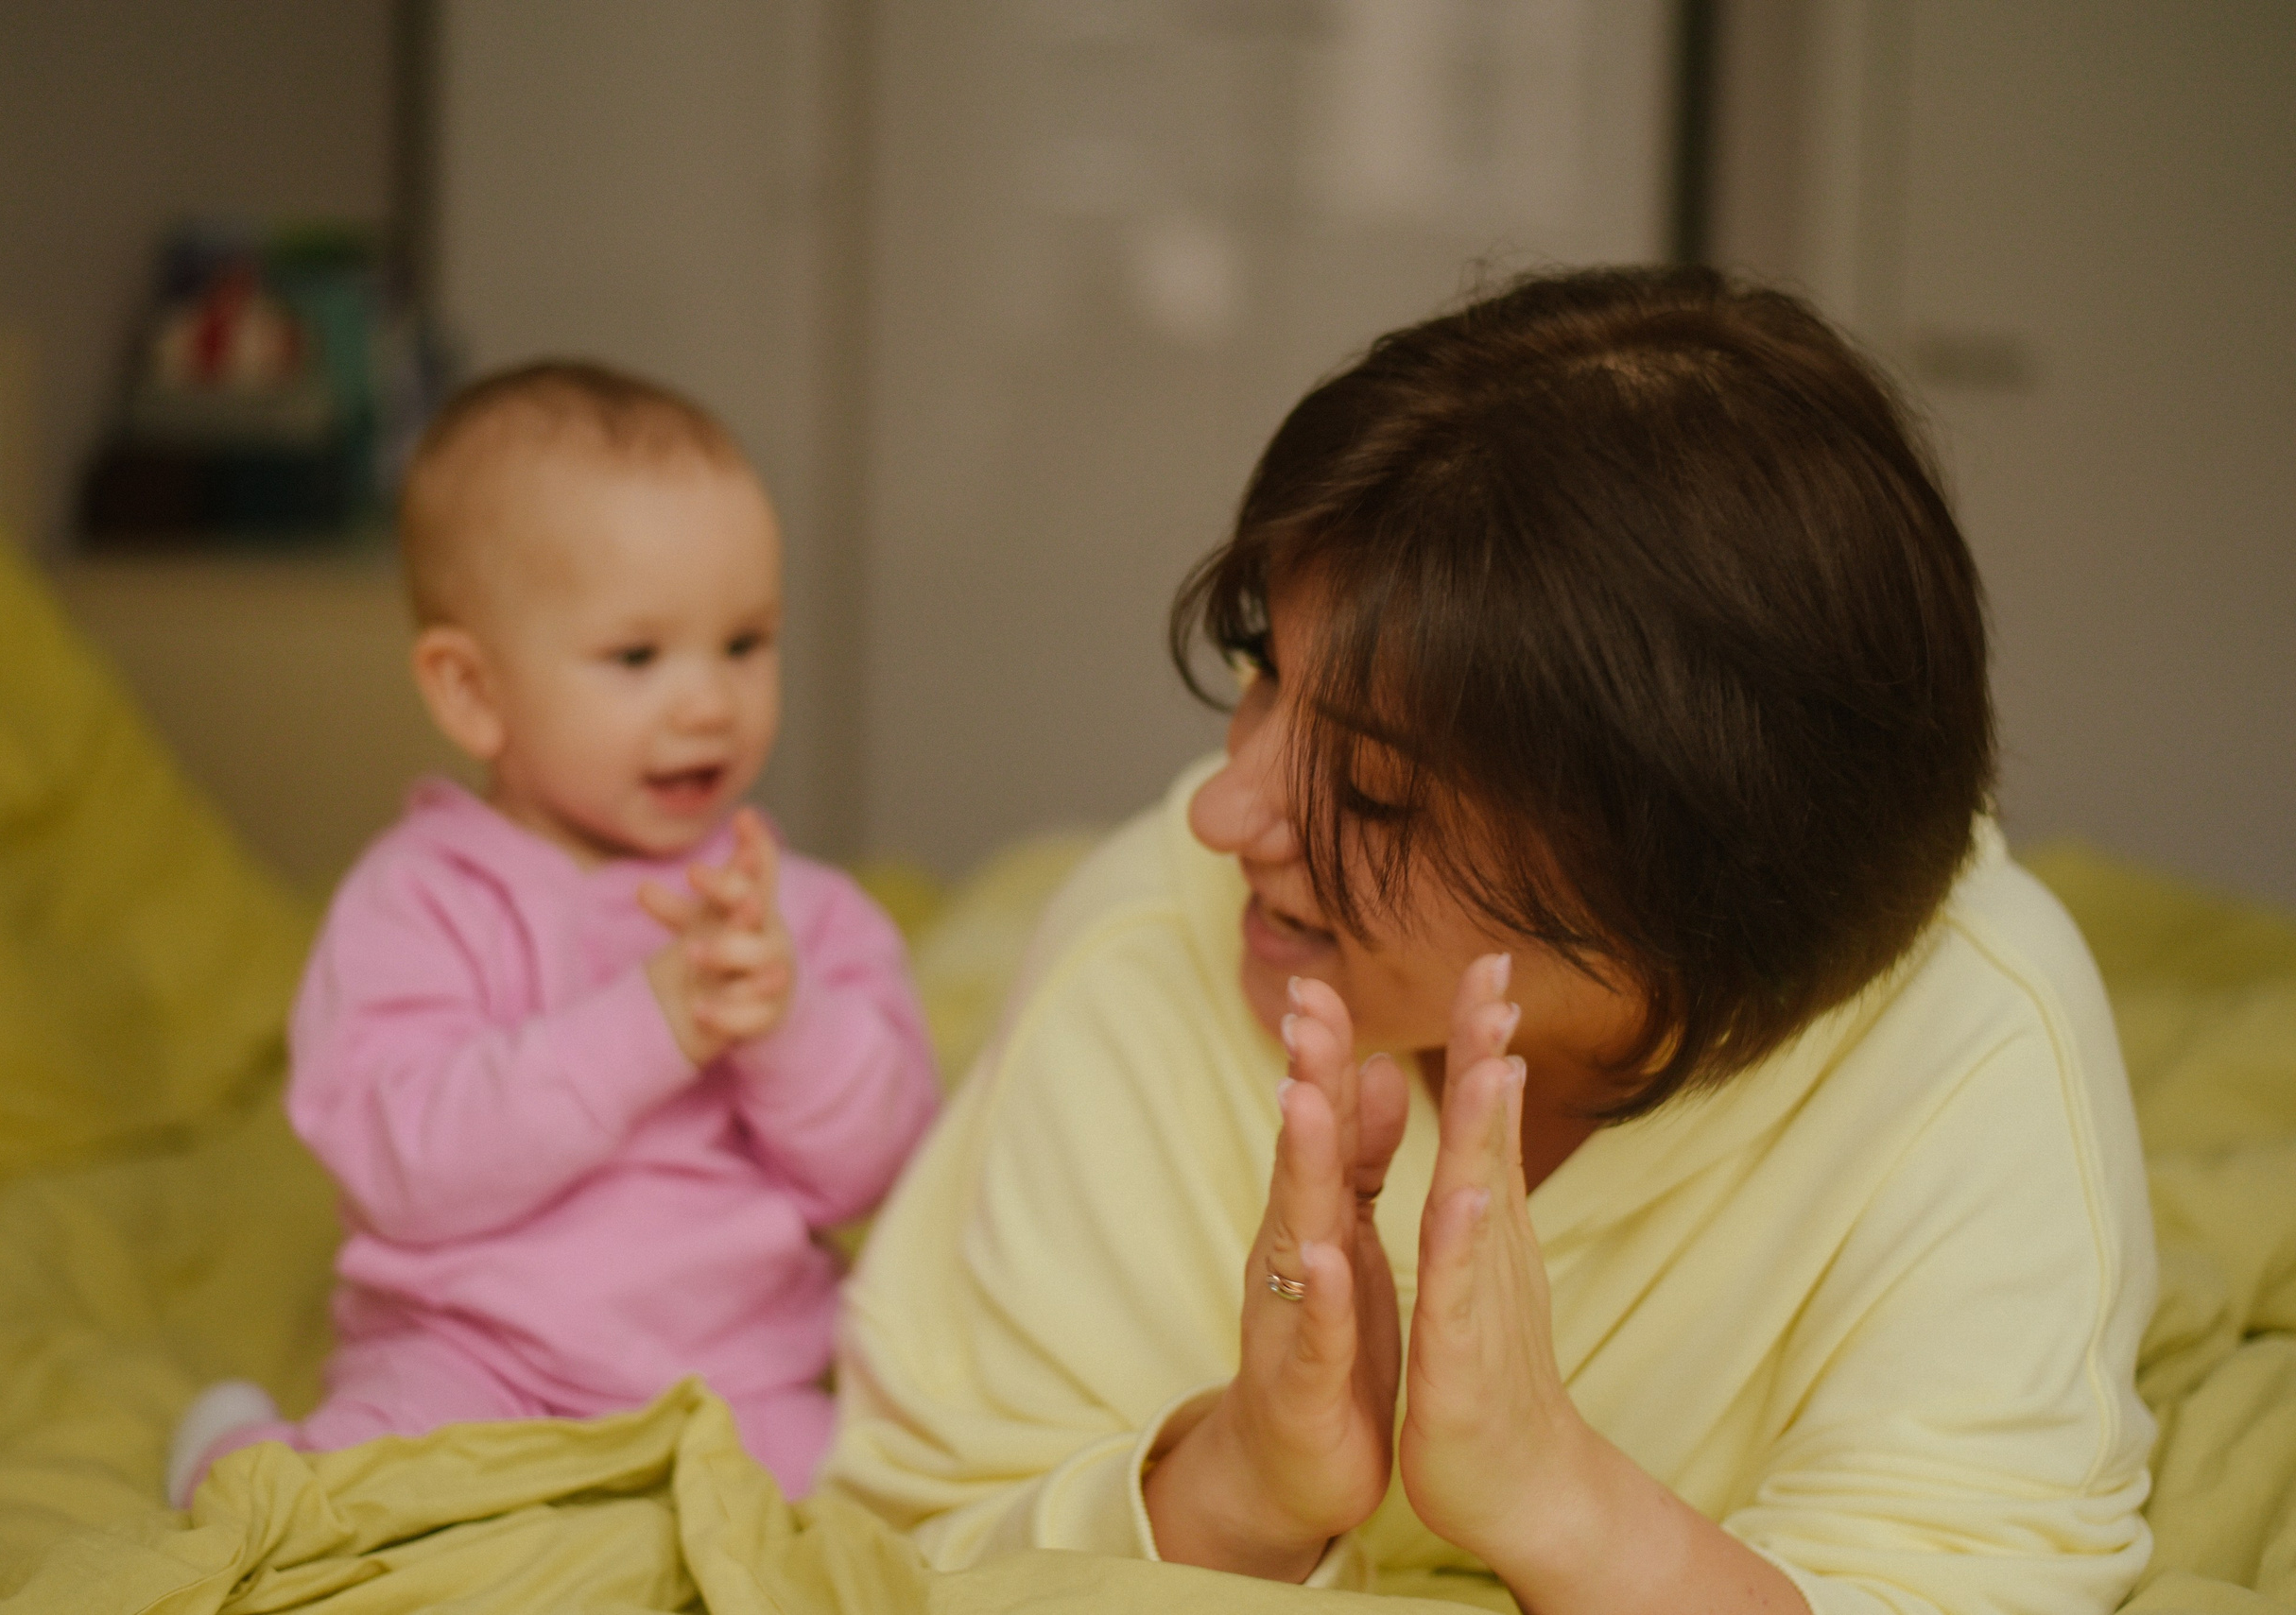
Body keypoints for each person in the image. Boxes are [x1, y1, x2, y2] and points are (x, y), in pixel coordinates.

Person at [826, 266, 2157, 1613]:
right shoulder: (1148, 935)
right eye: (1262, 671)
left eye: (1372, 791)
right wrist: (1245, 1483)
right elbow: (904, 1546)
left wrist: (1558, 1501)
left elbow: (1966, 1575)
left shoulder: (1972, 1031)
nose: (1224, 812)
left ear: (1682, 881)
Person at [167, 362, 939, 1506]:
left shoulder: (801, 915)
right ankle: (225, 1450)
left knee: (890, 1505)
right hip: (476, 1356)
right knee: (340, 1507)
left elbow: (878, 1172)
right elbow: (403, 1167)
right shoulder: (418, 905)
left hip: (741, 1371)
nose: (709, 702)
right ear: (473, 693)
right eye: (637, 656)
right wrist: (648, 1024)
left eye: (744, 642)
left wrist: (790, 1025)